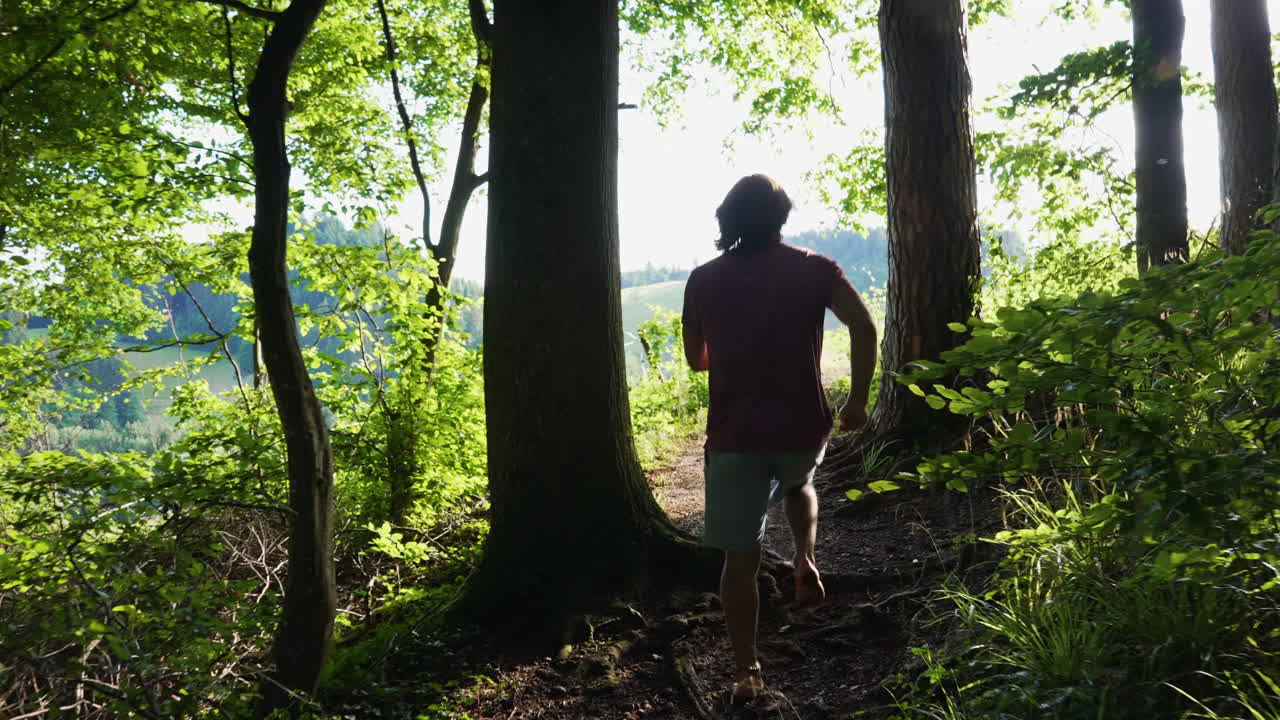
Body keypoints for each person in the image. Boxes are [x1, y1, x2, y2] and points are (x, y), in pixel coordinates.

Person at [681, 174, 878, 702]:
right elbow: (863, 325)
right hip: (803, 424)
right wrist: (857, 399)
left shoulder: (702, 280)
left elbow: (695, 361)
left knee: (739, 557)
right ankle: (806, 559)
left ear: (727, 221)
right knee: (799, 483)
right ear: (781, 216)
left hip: (734, 435)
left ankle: (747, 671)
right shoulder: (816, 269)